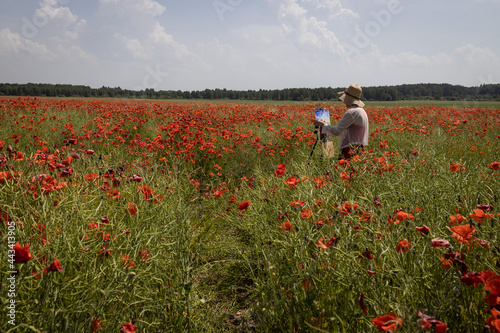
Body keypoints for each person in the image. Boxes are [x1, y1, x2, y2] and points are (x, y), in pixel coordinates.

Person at [313, 84, 369, 160]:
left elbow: (336, 131)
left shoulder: (352, 112)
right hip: (359, 150)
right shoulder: (362, 111)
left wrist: (322, 124)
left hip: (349, 151)